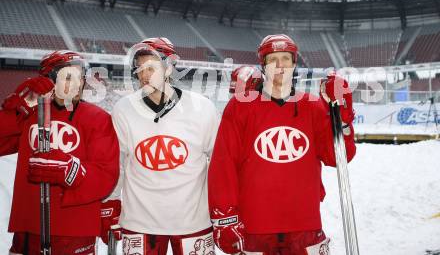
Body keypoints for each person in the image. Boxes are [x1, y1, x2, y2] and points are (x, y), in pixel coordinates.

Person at [208, 34, 356, 255]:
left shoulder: (313, 106)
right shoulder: (240, 106)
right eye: (272, 59)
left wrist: (342, 121)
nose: (280, 65)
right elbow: (224, 164)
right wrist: (224, 216)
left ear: (294, 63)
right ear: (263, 65)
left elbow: (337, 158)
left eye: (286, 58)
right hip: (256, 226)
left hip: (304, 225)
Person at [106, 37, 219, 255]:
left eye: (151, 67)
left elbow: (219, 163)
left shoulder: (202, 108)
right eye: (139, 68)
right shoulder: (123, 109)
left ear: (168, 68)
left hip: (192, 221)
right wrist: (110, 202)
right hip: (140, 222)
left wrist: (223, 209)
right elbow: (117, 164)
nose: (144, 75)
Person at [0, 50, 120, 255]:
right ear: (48, 81)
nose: (75, 84)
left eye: (79, 77)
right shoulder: (29, 115)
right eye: (67, 77)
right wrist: (17, 109)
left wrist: (69, 170)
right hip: (29, 226)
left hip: (76, 228)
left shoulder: (98, 118)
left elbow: (107, 173)